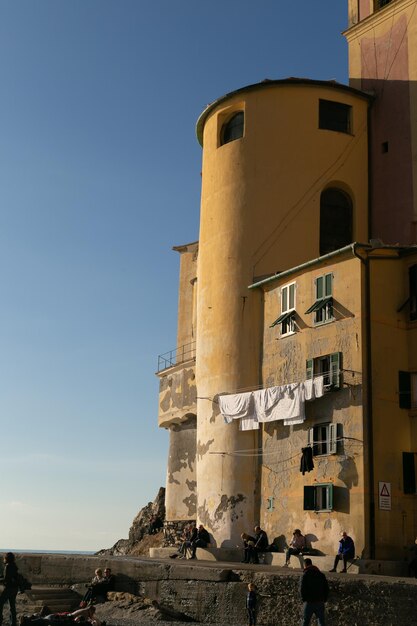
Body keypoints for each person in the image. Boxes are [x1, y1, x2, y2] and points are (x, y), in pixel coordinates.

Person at [300, 558, 329, 626]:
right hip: (320, 601)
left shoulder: (305, 575)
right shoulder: (321, 575)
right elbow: (326, 588)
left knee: (305, 622)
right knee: (321, 622)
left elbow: (302, 589)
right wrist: (324, 599)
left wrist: (304, 599)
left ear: (305, 565)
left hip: (309, 602)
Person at [0, 552, 19, 626]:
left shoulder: (7, 566)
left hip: (9, 588)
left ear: (6, 558)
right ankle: (13, 623)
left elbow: (6, 579)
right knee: (12, 606)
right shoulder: (14, 566)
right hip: (15, 589)